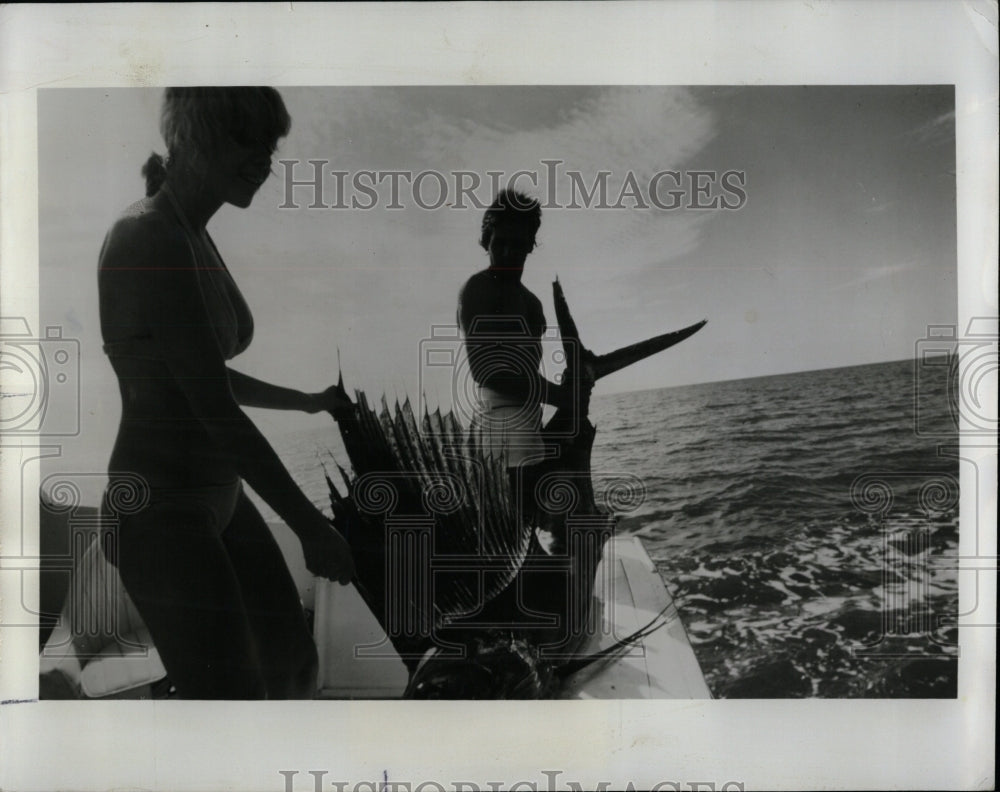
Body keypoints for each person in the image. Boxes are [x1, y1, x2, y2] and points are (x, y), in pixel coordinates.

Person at [95, 87, 354, 699]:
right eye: (246, 138)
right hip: (161, 509)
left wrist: (307, 401)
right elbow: (212, 406)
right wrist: (310, 525)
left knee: (293, 666)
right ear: (191, 136)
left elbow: (200, 373)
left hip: (221, 497)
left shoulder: (195, 234)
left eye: (270, 143)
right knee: (230, 704)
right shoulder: (148, 237)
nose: (263, 158)